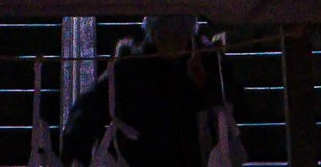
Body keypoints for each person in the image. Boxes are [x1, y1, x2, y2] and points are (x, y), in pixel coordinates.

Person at [59, 17, 231, 167]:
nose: (171, 41)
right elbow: (90, 106)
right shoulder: (131, 66)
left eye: (178, 34)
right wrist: (75, 151)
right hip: (146, 157)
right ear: (153, 33)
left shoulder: (205, 62)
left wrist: (205, 84)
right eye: (164, 34)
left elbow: (233, 106)